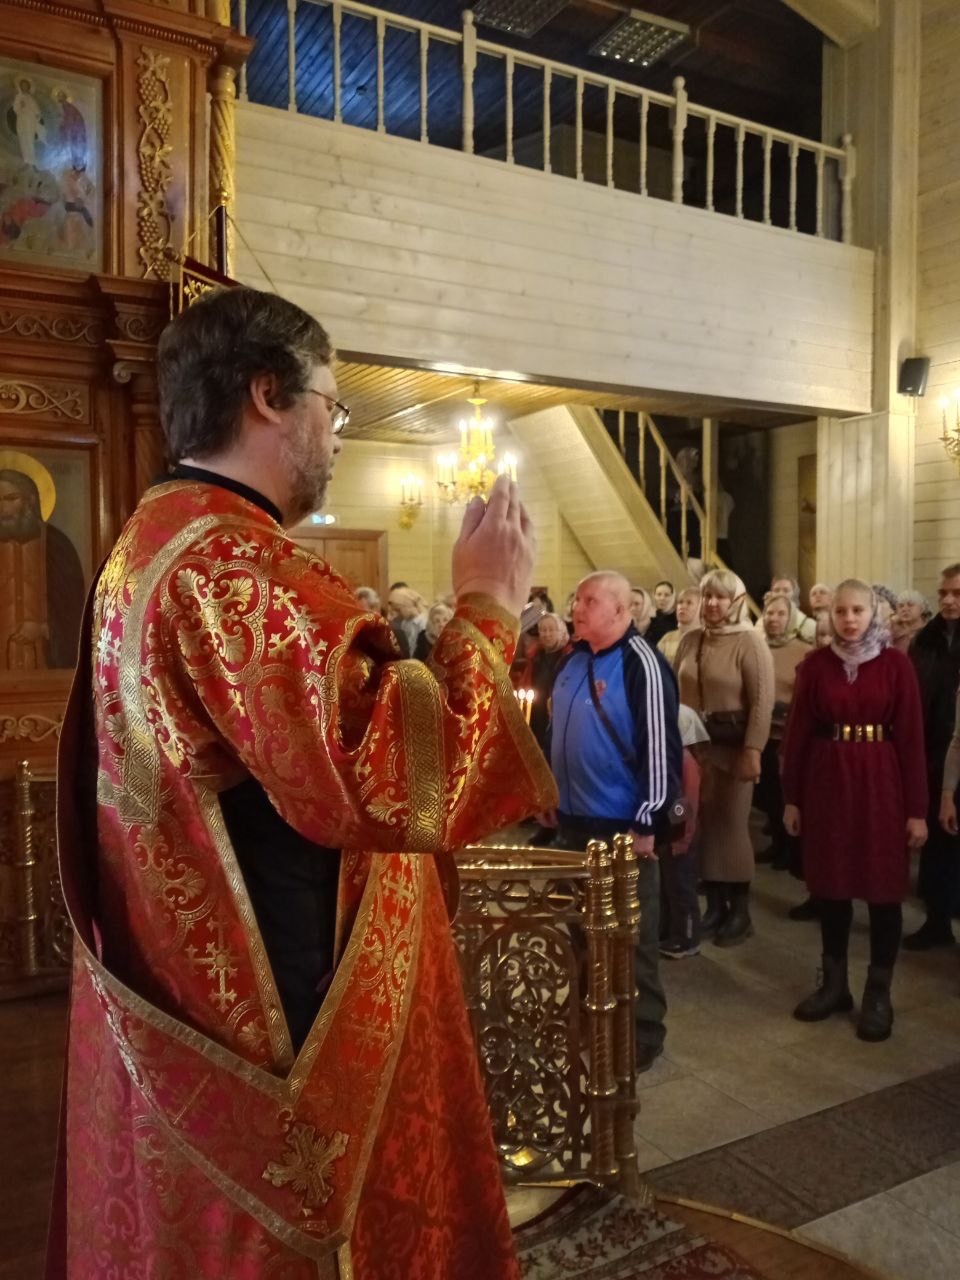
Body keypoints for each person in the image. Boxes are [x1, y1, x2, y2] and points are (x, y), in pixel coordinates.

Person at [50, 286, 558, 1280]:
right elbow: (404, 782)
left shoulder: (147, 546)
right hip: (286, 1028)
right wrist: (489, 606)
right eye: (332, 404)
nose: (337, 432)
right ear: (268, 394)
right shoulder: (236, 566)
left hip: (198, 993)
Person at [546, 570, 682, 1070]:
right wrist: (549, 792)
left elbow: (661, 747)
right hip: (573, 821)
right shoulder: (573, 659)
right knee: (581, 931)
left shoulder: (641, 662)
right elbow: (555, 731)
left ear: (622, 611)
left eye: (590, 601)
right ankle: (593, 1018)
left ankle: (643, 1031)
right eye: (577, 599)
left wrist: (647, 822)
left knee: (630, 936)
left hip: (622, 828)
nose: (577, 608)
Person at [781, 580, 927, 1041]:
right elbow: (798, 734)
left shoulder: (896, 665)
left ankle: (878, 993)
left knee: (883, 891)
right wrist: (792, 797)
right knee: (833, 888)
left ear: (873, 613)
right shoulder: (816, 665)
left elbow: (911, 739)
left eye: (857, 610)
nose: (848, 619)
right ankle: (835, 985)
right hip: (827, 784)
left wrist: (917, 809)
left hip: (881, 784)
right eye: (841, 611)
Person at [675, 569, 774, 946]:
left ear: (736, 601)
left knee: (730, 827)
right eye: (707, 596)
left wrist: (753, 750)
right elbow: (675, 690)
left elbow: (762, 702)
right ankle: (715, 906)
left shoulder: (750, 642)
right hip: (693, 748)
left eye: (720, 597)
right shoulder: (691, 639)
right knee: (699, 825)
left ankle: (740, 911)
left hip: (731, 749)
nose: (713, 603)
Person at [906, 564, 960, 949]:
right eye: (943, 593)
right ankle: (937, 920)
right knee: (937, 841)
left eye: (957, 593)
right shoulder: (924, 639)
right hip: (933, 749)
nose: (948, 600)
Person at [0, 463, 86, 669]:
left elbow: (74, 608)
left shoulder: (56, 545)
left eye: (11, 499)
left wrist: (44, 629)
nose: (2, 508)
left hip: (45, 664)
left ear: (30, 500)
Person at [755, 592, 809, 871]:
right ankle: (777, 843)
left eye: (780, 614)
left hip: (788, 736)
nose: (773, 619)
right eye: (769, 613)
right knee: (768, 795)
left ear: (791, 619)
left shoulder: (804, 650)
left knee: (788, 795)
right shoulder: (756, 646)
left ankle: (793, 850)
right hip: (760, 734)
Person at [659, 705, 709, 959]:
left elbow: (685, 804)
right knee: (669, 886)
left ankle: (688, 938)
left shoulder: (685, 762)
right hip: (671, 833)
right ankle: (671, 931)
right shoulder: (675, 758)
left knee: (681, 888)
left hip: (680, 837)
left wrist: (681, 838)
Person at [528, 610, 569, 754]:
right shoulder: (534, 657)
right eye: (543, 630)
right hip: (535, 712)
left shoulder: (569, 657)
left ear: (561, 631)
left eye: (551, 629)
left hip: (557, 716)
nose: (546, 634)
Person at [762, 576, 816, 643]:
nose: (780, 594)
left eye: (786, 590)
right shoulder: (762, 621)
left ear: (794, 594)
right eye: (776, 590)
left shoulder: (809, 624)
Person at [657, 585, 700, 666]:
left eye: (689, 603)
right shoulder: (668, 638)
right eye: (680, 602)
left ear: (700, 608)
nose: (682, 606)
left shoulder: (706, 638)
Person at [386, 585, 428, 657]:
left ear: (407, 606)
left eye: (398, 609)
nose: (398, 613)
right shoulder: (405, 622)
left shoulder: (424, 623)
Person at [890, 589, 930, 654]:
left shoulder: (930, 631)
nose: (904, 609)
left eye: (910, 605)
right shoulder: (892, 631)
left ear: (922, 609)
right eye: (901, 606)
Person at [646, 580, 677, 645]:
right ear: (654, 596)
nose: (662, 598)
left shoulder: (678, 618)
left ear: (673, 597)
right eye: (659, 594)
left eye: (666, 595)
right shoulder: (649, 616)